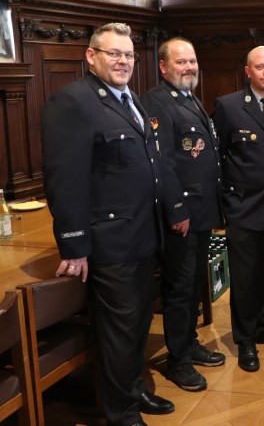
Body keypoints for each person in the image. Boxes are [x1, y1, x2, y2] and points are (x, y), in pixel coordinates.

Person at [42, 22, 176, 425]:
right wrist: (74, 245)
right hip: (111, 241)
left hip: (143, 235)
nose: (123, 61)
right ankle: (122, 413)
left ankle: (133, 389)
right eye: (113, 53)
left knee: (137, 323)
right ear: (91, 56)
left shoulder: (129, 98)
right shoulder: (73, 101)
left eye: (128, 54)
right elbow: (65, 180)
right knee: (119, 331)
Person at [141, 37, 226, 392]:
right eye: (181, 62)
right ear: (163, 67)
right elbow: (162, 162)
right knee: (179, 287)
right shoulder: (157, 101)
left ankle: (188, 342)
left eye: (192, 61)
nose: (189, 67)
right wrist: (176, 209)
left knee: (193, 284)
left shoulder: (188, 97)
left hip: (201, 212)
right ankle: (177, 360)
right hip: (182, 215)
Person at [211, 46, 264, 373]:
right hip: (243, 207)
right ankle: (245, 338)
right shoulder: (229, 105)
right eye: (259, 67)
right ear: (248, 71)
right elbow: (215, 159)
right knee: (245, 277)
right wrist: (223, 205)